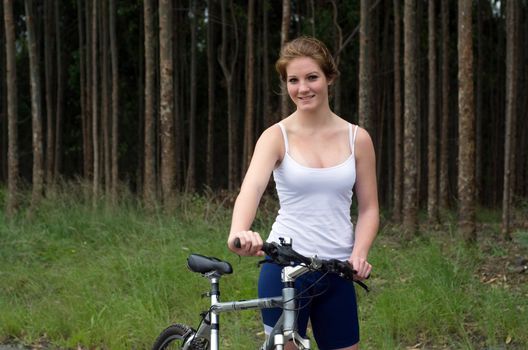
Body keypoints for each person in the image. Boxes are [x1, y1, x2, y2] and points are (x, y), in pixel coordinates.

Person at [227, 36, 379, 350]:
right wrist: (239, 232)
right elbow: (251, 189)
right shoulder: (276, 136)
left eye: (312, 77)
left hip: (336, 270)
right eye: (293, 80)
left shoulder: (357, 138)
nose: (303, 88)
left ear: (329, 78)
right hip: (284, 267)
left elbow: (369, 208)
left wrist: (359, 253)